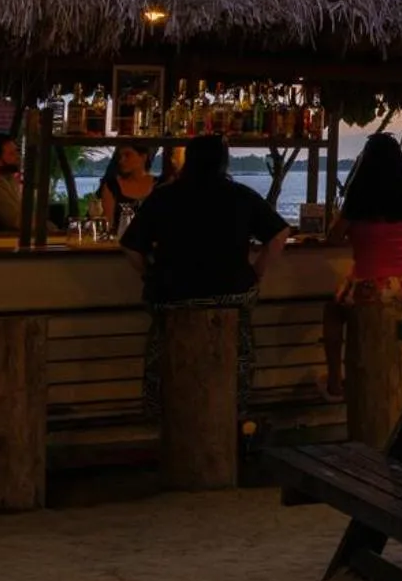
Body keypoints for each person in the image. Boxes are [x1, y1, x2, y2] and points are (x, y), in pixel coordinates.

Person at [120, 134, 291, 415]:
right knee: (238, 327)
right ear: (224, 162)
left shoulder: (164, 196)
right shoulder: (240, 195)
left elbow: (129, 246)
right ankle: (234, 404)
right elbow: (280, 234)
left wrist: (149, 274)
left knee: (165, 330)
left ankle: (164, 408)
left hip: (172, 295)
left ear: (188, 159)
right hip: (231, 296)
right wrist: (256, 272)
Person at [321, 133, 402, 398]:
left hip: (369, 286)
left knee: (332, 311)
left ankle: (334, 380)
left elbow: (334, 237)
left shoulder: (359, 198)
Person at [95, 143, 155, 235]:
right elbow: (108, 224)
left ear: (143, 157)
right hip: (119, 241)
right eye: (120, 156)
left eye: (127, 155)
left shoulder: (159, 185)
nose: (121, 160)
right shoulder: (112, 186)